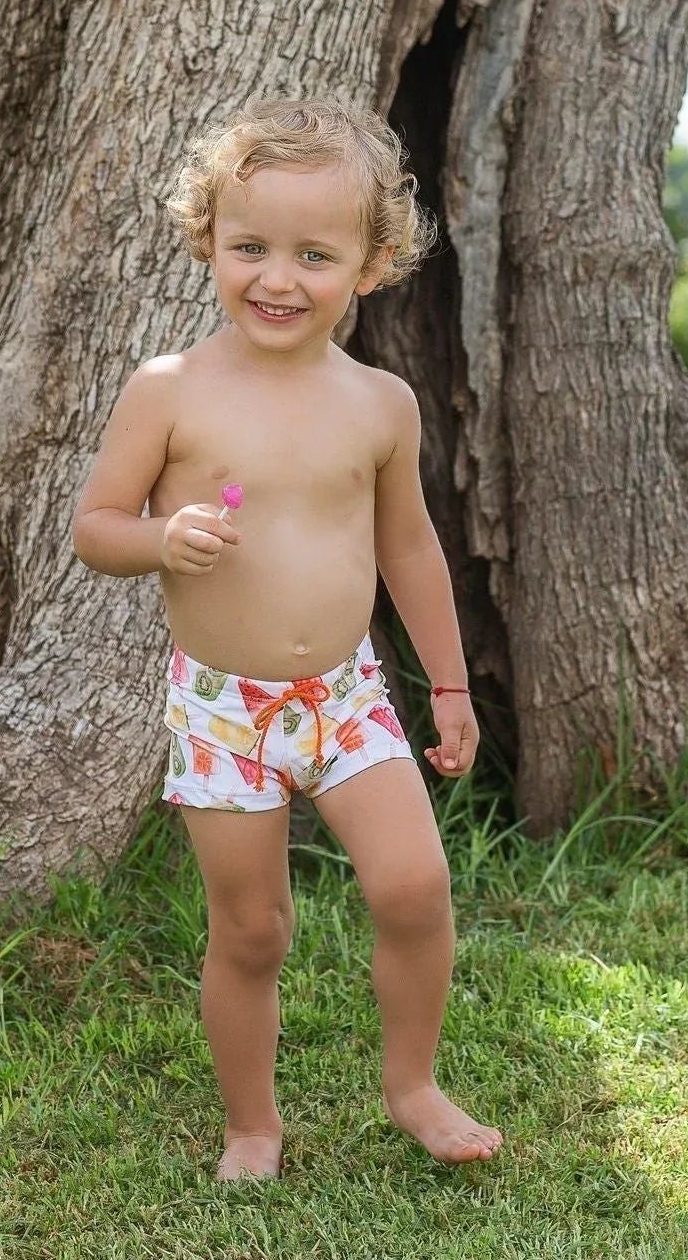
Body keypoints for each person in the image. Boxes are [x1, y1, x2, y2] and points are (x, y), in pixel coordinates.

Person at [71, 97, 502, 1181]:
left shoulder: (380, 404)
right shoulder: (170, 391)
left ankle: (414, 1085)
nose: (277, 278)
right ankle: (253, 1124)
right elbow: (96, 528)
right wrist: (163, 538)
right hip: (224, 709)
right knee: (253, 928)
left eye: (315, 255)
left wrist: (449, 688)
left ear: (370, 265)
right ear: (208, 239)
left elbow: (409, 550)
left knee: (414, 889)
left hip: (346, 696)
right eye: (250, 246)